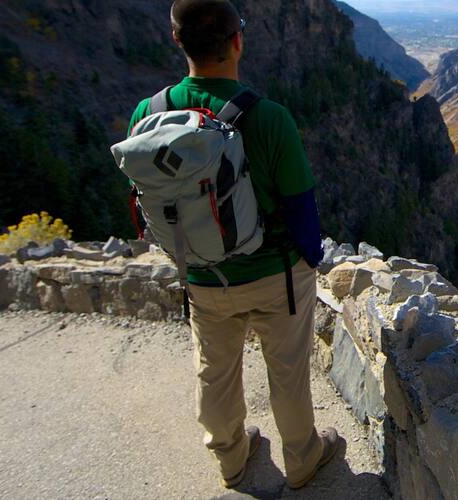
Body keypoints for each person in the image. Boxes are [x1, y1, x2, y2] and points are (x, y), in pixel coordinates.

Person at [124, 0, 339, 490]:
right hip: (276, 274)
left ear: (178, 40)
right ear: (237, 41)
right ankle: (303, 458)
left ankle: (231, 459)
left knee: (214, 372)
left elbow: (146, 197)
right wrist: (309, 259)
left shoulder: (147, 113)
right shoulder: (269, 118)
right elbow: (301, 206)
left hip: (202, 275)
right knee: (287, 373)